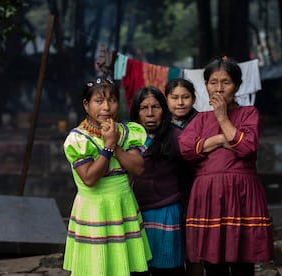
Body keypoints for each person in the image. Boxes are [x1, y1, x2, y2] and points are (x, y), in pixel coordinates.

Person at [178, 56, 274, 276]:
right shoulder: (200, 119)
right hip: (209, 194)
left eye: (226, 82)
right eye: (213, 82)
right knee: (213, 263)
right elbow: (186, 150)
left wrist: (222, 119)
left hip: (241, 193)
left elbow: (247, 147)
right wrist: (221, 140)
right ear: (206, 85)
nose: (219, 89)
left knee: (243, 262)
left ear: (238, 86)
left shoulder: (249, 113)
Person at [62, 77, 152, 276]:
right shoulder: (78, 139)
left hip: (123, 207)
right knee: (96, 267)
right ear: (86, 105)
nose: (106, 107)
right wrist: (107, 146)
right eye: (98, 101)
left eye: (112, 100)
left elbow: (138, 168)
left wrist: (115, 144)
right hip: (93, 211)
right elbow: (89, 179)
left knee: (127, 268)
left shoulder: (129, 132)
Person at [129, 86, 186, 276]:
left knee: (168, 269)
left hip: (166, 211)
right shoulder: (126, 137)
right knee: (138, 268)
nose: (150, 114)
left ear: (164, 109)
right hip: (134, 213)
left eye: (156, 107)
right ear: (136, 112)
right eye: (144, 108)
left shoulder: (176, 136)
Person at [164, 78, 203, 276]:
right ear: (167, 99)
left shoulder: (202, 122)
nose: (180, 103)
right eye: (175, 97)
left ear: (194, 99)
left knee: (194, 244)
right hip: (168, 188)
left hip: (196, 184)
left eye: (185, 97)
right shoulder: (160, 124)